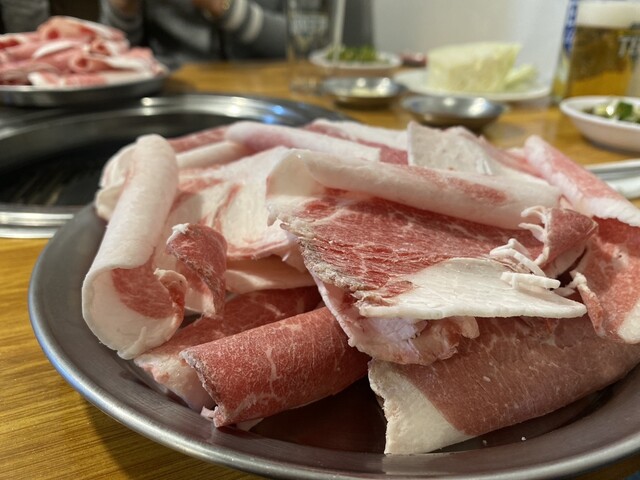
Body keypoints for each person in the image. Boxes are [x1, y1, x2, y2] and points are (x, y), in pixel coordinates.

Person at [100, 0, 373, 69]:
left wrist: (224, 8)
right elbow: (113, 57)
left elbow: (314, 46)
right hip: (173, 89)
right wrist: (123, 9)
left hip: (271, 89)